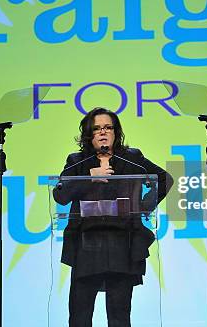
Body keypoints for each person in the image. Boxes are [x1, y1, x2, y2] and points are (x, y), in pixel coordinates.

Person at [53, 107, 173, 327]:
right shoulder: (77, 162)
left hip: (122, 246)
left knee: (119, 317)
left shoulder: (132, 158)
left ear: (116, 132)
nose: (102, 132)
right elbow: (60, 195)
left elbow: (164, 179)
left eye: (108, 127)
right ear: (89, 135)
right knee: (79, 317)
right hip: (86, 247)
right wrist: (89, 178)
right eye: (96, 128)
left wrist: (145, 206)